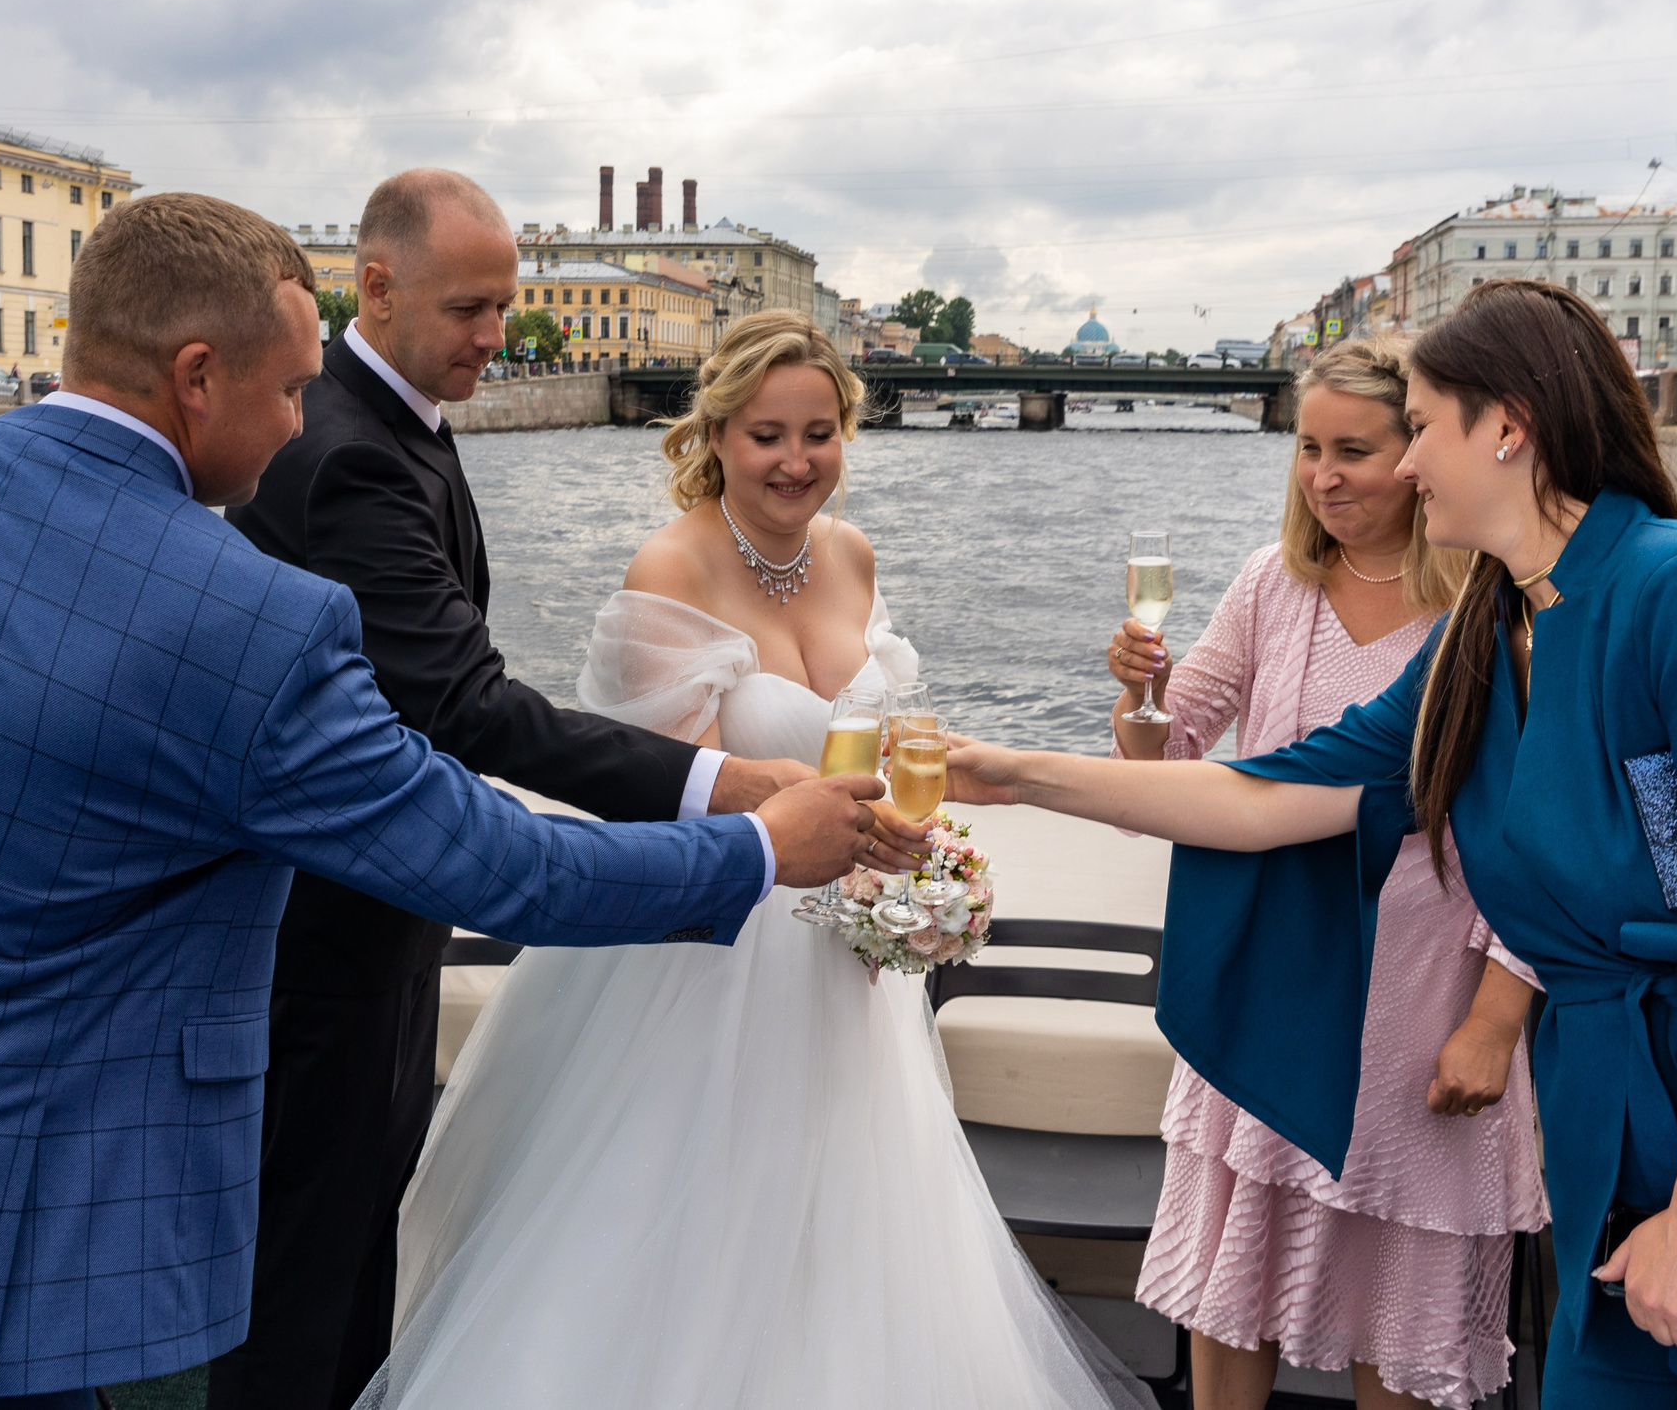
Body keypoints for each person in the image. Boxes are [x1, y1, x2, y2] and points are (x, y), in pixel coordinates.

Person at [0, 195, 915, 1410]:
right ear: (198, 377)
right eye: (283, 389)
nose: (292, 430)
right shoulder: (254, 621)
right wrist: (749, 847)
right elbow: (492, 860)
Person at [945, 280, 1677, 1406]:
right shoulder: (1492, 631)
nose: (1403, 467)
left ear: (1507, 425)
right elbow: (1273, 793)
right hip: (1620, 1136)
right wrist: (1011, 773)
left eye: (1421, 427)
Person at [357, 313, 1154, 1410]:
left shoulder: (854, 554)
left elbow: (881, 748)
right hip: (705, 954)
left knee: (849, 1225)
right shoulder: (670, 565)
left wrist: (916, 867)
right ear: (719, 433)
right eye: (768, 434)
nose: (796, 461)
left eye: (819, 433)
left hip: (844, 964)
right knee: (684, 1223)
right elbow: (651, 798)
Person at [216, 171, 811, 1410]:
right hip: (320, 939)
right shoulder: (348, 456)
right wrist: (718, 785)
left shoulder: (381, 425)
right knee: (305, 1279)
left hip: (363, 918)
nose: (498, 335)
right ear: (374, 288)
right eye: (472, 308)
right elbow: (462, 703)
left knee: (354, 1242)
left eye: (508, 305)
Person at [1107, 335, 1545, 1410]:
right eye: (1308, 448)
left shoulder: (1493, 609)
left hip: (1422, 991)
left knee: (1397, 1307)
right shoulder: (1273, 580)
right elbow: (1166, 761)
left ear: (1421, 453)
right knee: (1230, 1289)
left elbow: (1541, 836)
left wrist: (1493, 1020)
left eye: (1354, 449)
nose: (1323, 475)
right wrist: (1139, 693)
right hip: (1275, 977)